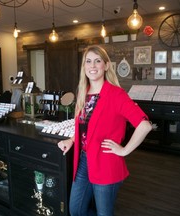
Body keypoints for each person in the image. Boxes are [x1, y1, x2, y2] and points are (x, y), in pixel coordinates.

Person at [57, 45, 152, 216]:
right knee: (76, 210)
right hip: (84, 160)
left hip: (106, 162)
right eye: (88, 61)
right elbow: (85, 127)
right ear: (84, 66)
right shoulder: (83, 93)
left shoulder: (116, 94)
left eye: (97, 61)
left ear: (106, 65)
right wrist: (71, 140)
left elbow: (145, 125)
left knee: (104, 213)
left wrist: (124, 150)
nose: (92, 66)